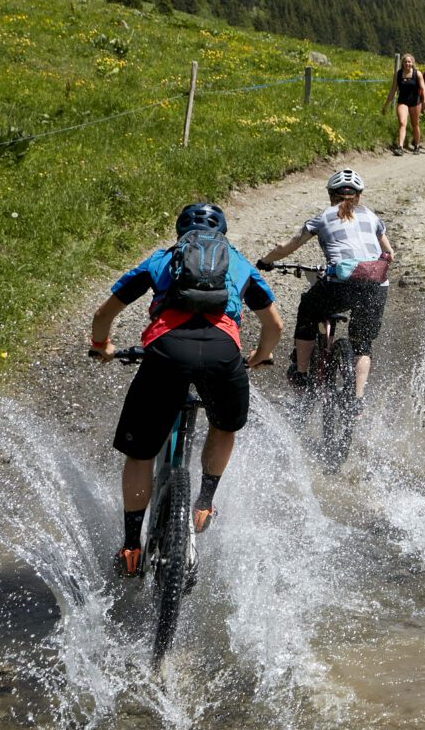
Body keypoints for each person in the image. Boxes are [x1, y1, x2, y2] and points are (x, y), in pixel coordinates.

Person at [89, 202, 281, 578]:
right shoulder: (239, 263)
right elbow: (273, 323)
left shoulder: (161, 260)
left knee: (141, 452)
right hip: (223, 353)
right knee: (224, 425)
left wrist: (103, 347)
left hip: (166, 350)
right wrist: (260, 355)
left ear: (181, 233)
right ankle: (204, 503)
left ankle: (131, 547)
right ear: (221, 234)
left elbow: (103, 315)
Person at [255, 168, 393, 413]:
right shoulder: (372, 217)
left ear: (331, 195)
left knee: (309, 308)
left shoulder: (323, 217)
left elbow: (286, 246)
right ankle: (356, 400)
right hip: (376, 285)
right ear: (359, 196)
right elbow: (389, 254)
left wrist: (265, 262)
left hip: (340, 283)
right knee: (362, 344)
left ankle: (301, 373)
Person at [387, 53, 425, 155]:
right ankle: (400, 147)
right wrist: (386, 104)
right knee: (402, 123)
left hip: (415, 102)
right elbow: (393, 90)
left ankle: (416, 145)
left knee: (415, 124)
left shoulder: (417, 74)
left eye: (409, 62)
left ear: (412, 63)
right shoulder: (398, 74)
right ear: (402, 63)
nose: (407, 63)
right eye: (405, 62)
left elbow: (423, 88)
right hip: (402, 101)